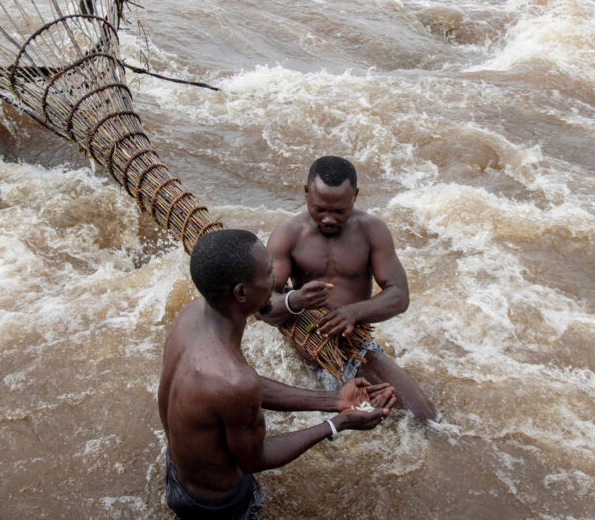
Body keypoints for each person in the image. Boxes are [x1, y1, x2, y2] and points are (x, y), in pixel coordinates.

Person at [158, 228, 396, 519]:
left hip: (179, 474)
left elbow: (235, 387)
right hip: (216, 506)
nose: (276, 280)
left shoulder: (192, 316)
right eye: (269, 273)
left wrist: (333, 400)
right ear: (241, 293)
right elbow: (255, 459)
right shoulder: (233, 380)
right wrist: (337, 423)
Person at [260, 156, 438, 422]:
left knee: (422, 417)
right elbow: (261, 306)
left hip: (354, 344)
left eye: (340, 211)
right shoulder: (288, 235)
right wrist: (295, 300)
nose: (329, 219)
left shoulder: (371, 231)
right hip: (307, 342)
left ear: (355, 196)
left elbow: (399, 295)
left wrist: (354, 312)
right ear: (306, 193)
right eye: (320, 210)